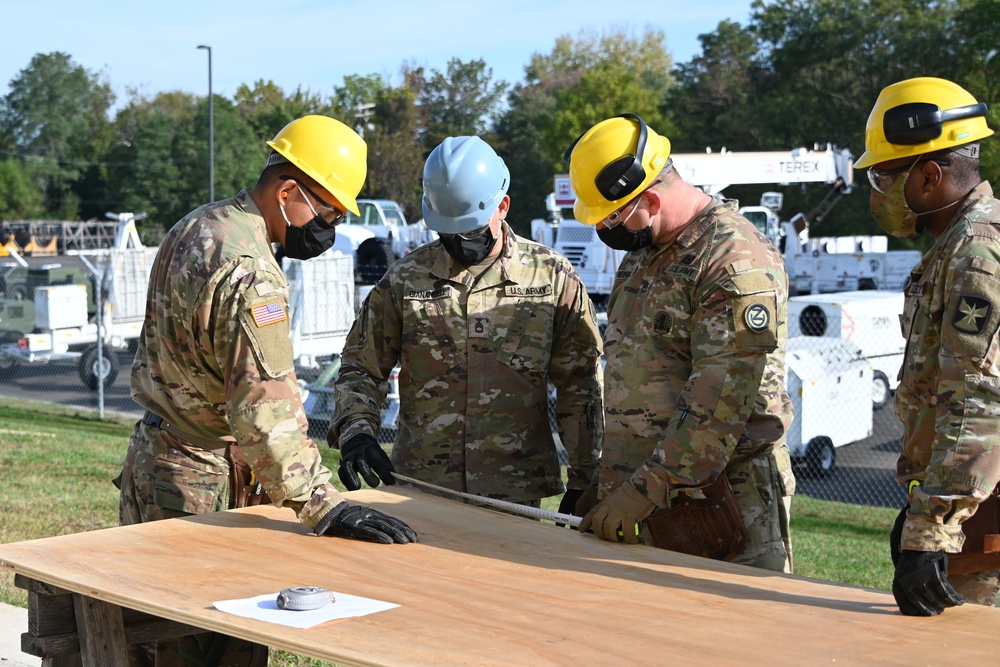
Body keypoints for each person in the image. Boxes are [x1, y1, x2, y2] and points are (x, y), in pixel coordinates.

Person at [116, 115, 417, 667]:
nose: (328, 228)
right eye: (326, 212)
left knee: (149, 641)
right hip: (201, 486)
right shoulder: (253, 272)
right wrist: (324, 506)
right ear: (287, 192)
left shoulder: (198, 225)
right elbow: (264, 413)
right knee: (200, 649)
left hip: (157, 460)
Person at [567, 114, 795, 572]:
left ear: (650, 198)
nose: (605, 231)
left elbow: (719, 402)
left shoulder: (732, 258)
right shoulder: (643, 256)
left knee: (730, 635)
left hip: (722, 504)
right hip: (646, 497)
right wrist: (607, 482)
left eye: (613, 217)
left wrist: (642, 493)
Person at [329, 135, 604, 514]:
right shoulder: (406, 279)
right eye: (447, 232)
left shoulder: (551, 277)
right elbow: (361, 366)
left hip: (514, 490)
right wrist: (356, 432)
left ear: (502, 206)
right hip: (421, 484)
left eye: (471, 231)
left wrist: (586, 477)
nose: (459, 243)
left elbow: (581, 384)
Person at [855, 77, 1000, 616]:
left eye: (883, 174)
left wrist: (932, 529)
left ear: (931, 174)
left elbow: (977, 403)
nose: (876, 191)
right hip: (964, 511)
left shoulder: (977, 253)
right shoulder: (957, 245)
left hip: (978, 525)